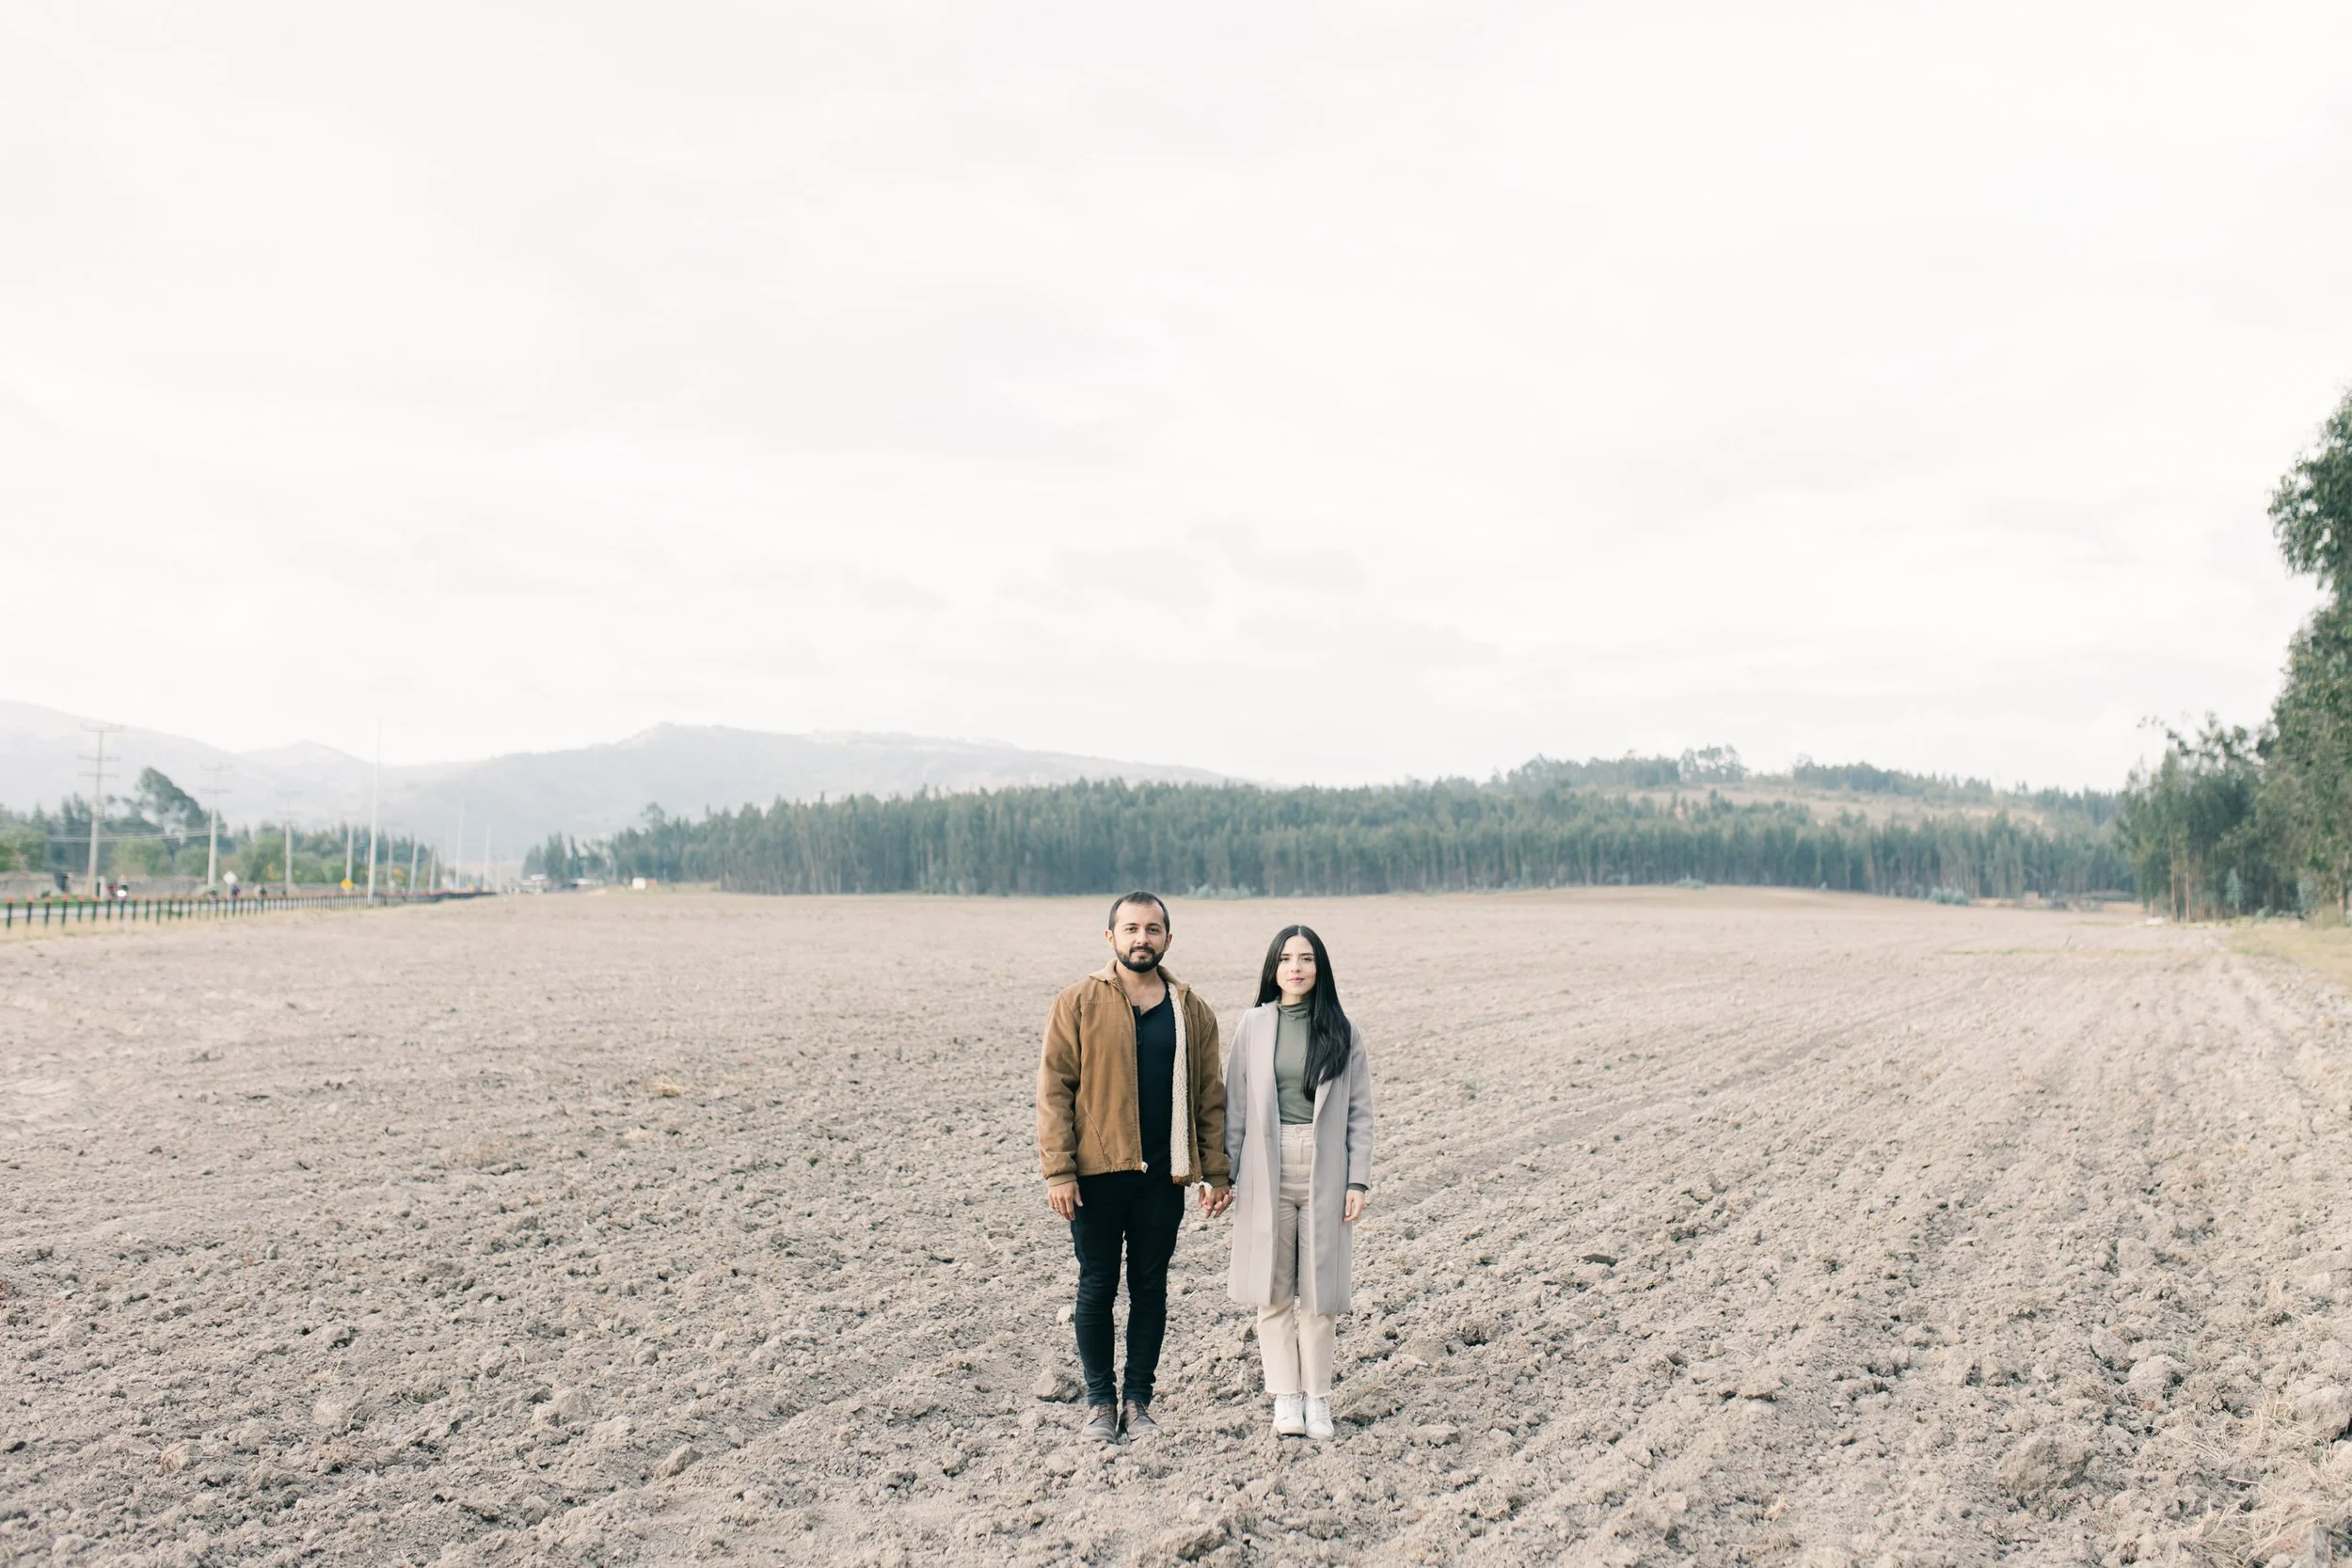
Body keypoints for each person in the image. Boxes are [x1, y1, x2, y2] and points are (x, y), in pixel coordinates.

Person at [1037, 891, 1233, 1443]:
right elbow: (1055, 1091)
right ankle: (1100, 1404)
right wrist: (1059, 1171)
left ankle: (1138, 1403)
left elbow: (1209, 1098)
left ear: (1168, 938)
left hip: (1163, 1177)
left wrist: (1216, 1172)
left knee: (1150, 1288)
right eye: (1131, 929)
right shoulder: (1077, 1003)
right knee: (1096, 1286)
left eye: (1152, 929)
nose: (1141, 939)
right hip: (1095, 1177)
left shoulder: (1192, 1010)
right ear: (1111, 937)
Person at [1224, 925, 1375, 1440]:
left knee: (1319, 1293)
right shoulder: (1254, 1025)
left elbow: (1359, 1113)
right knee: (1272, 1291)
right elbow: (1236, 1107)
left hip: (1325, 1167)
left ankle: (1318, 1399)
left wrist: (1358, 1182)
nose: (1296, 968)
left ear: (1319, 967)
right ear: (1273, 968)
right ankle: (1285, 1398)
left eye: (1306, 959)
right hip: (1265, 1165)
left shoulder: (1342, 1030)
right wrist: (1225, 1174)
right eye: (1286, 958)